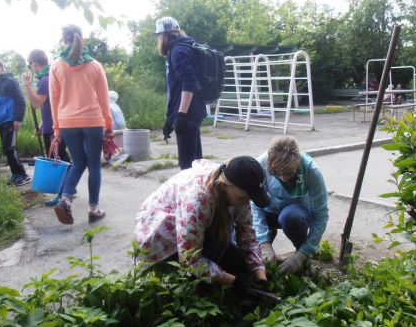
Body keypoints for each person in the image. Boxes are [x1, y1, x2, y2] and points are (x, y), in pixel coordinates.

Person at [134, 156, 269, 298]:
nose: (247, 203)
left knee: (237, 262)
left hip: (192, 229)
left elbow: (247, 236)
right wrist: (235, 282)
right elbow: (189, 260)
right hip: (160, 241)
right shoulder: (198, 200)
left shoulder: (239, 193)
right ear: (224, 186)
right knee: (208, 277)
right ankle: (190, 292)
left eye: (250, 198)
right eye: (243, 198)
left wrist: (261, 276)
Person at [49, 25, 113, 225]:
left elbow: (54, 100)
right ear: (81, 39)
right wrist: (108, 123)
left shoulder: (56, 66)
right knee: (94, 164)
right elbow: (104, 99)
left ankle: (65, 199)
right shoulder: (95, 65)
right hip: (93, 121)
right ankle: (93, 210)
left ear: (63, 41)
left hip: (67, 122)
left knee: (78, 162)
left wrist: (57, 129)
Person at [252, 136, 329, 275]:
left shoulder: (311, 171)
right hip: (269, 209)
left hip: (296, 213)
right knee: (240, 216)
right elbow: (254, 206)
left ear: (298, 160)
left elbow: (320, 217)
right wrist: (264, 242)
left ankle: (302, 257)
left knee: (290, 217)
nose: (283, 178)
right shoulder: (261, 164)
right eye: (276, 173)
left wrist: (302, 254)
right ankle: (267, 242)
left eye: (289, 173)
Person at [155, 16, 207, 169]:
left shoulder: (178, 51)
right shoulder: (188, 45)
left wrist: (181, 115)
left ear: (165, 36)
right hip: (195, 109)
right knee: (196, 162)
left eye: (159, 36)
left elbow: (189, 82)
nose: (159, 39)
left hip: (188, 113)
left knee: (187, 166)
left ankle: (193, 192)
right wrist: (171, 117)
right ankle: (202, 191)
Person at [22, 49, 71, 206]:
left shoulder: (45, 79)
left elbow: (36, 103)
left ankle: (64, 193)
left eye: (31, 65)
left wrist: (27, 86)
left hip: (56, 127)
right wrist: (43, 125)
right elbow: (50, 105)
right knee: (62, 156)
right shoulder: (51, 76)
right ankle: (68, 189)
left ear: (34, 63)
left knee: (59, 159)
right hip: (54, 124)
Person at [0, 58, 29, 186]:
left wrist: (18, 119)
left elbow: (20, 100)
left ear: (2, 67)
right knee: (7, 148)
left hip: (10, 120)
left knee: (9, 148)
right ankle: (17, 174)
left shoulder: (10, 81)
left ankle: (21, 175)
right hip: (0, 121)